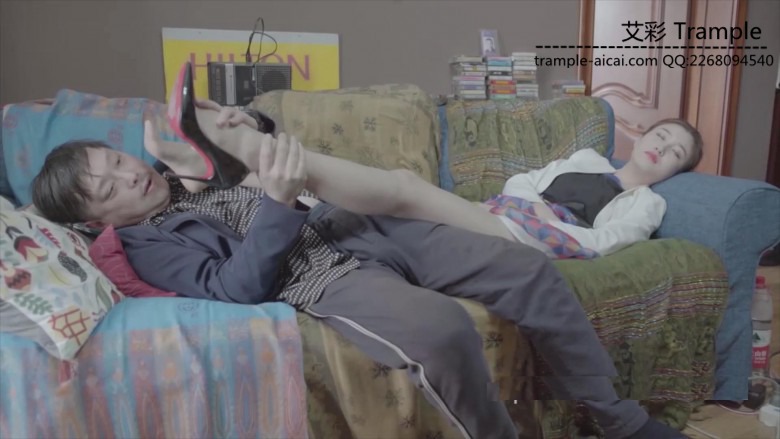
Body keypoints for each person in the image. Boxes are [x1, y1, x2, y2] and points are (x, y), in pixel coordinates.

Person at [31, 101, 688, 439]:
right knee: (441, 331)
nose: (128, 175)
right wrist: (278, 204)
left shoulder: (177, 175)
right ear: (95, 220)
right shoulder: (145, 243)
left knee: (527, 269)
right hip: (318, 275)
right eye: (107, 186)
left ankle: (616, 417)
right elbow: (234, 288)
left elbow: (240, 153)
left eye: (116, 161)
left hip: (352, 224)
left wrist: (243, 125)